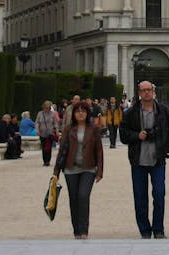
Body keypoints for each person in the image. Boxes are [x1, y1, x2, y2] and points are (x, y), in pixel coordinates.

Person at [120, 81, 169, 239]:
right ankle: (145, 230)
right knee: (140, 197)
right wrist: (137, 136)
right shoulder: (130, 113)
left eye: (149, 90)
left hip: (157, 160)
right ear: (139, 93)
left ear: (153, 91)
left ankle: (158, 229)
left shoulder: (164, 111)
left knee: (159, 194)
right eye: (143, 90)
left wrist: (164, 149)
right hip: (138, 160)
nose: (147, 93)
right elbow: (123, 135)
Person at [54, 101, 103, 239]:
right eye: (77, 111)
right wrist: (56, 172)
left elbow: (99, 150)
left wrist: (100, 171)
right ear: (73, 114)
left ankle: (84, 230)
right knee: (74, 199)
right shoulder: (68, 129)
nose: (80, 113)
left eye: (83, 111)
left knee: (83, 196)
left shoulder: (93, 129)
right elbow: (62, 150)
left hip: (88, 168)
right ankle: (76, 230)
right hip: (71, 168)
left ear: (87, 113)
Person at [36, 101, 60, 166]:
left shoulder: (53, 114)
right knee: (43, 147)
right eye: (45, 107)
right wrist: (37, 130)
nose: (46, 109)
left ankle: (48, 161)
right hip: (42, 133)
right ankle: (45, 160)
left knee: (49, 148)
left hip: (50, 133)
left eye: (47, 107)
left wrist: (57, 131)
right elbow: (37, 122)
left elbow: (55, 123)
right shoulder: (40, 113)